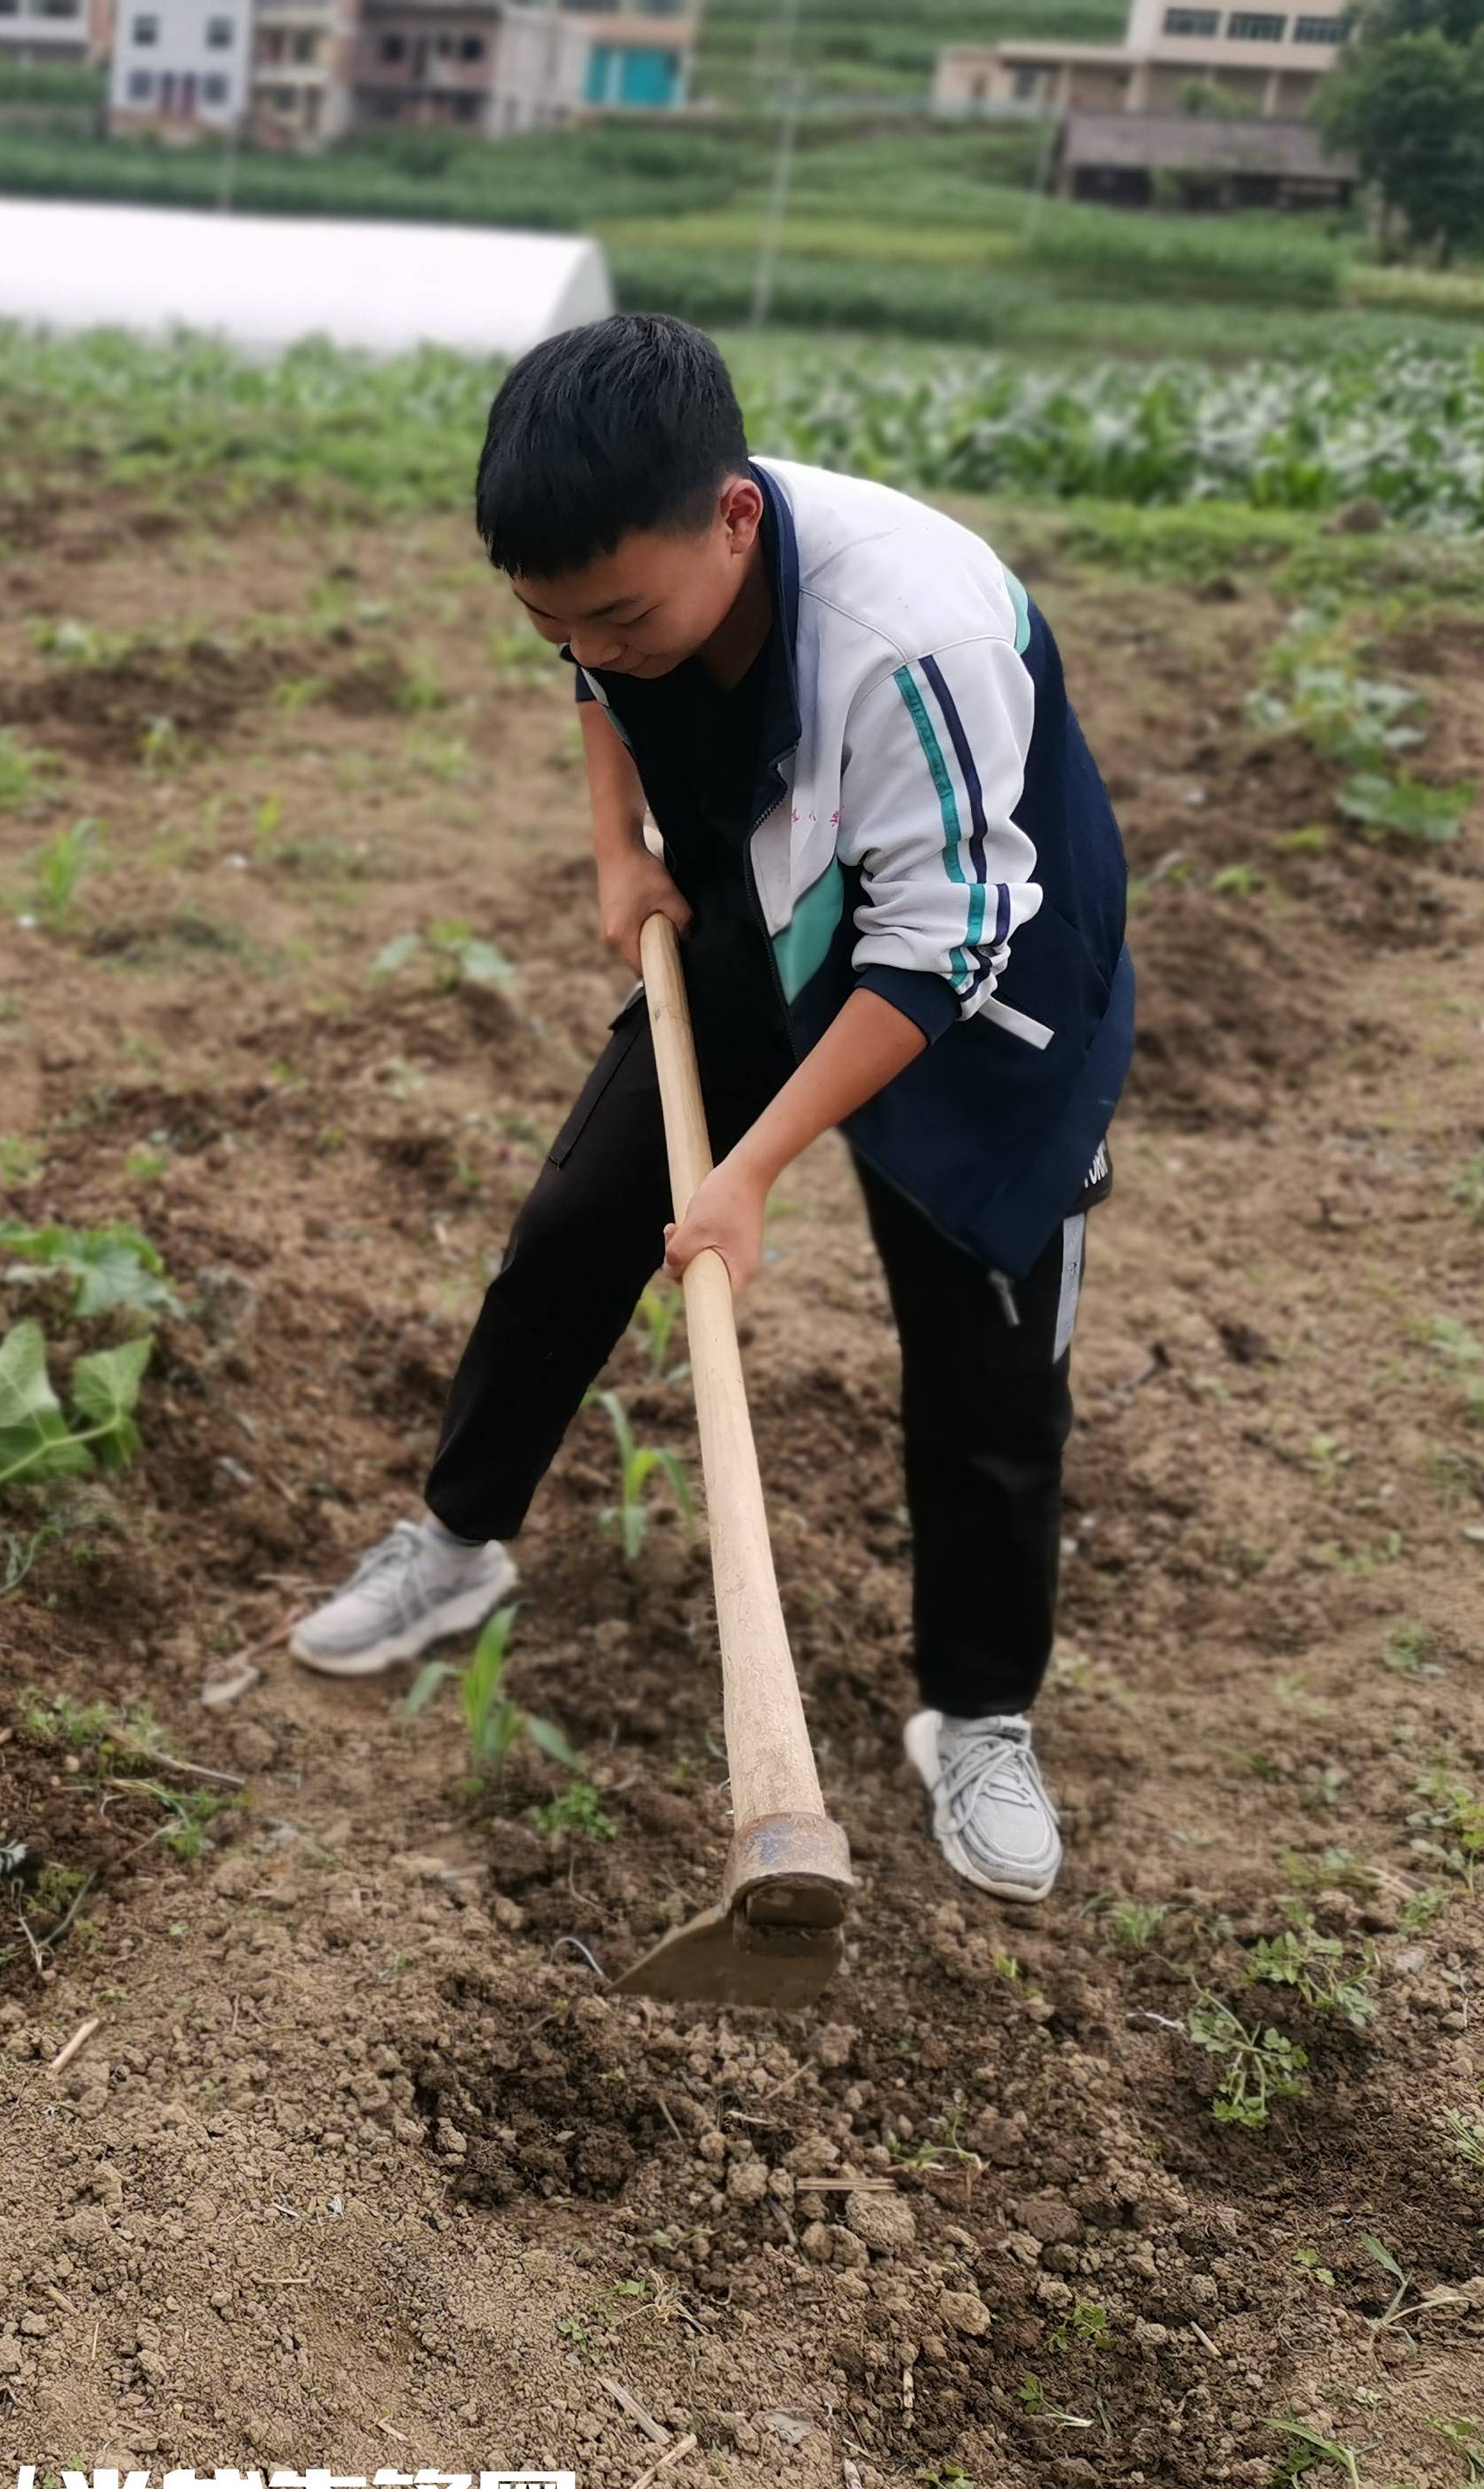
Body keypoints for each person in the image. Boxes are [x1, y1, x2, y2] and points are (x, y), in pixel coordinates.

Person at [288, 316, 1135, 1908]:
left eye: (618, 615)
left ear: (735, 519)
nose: (591, 644)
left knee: (990, 1361)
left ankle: (981, 1713)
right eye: (557, 622)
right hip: (771, 903)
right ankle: (457, 1544)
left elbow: (939, 944)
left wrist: (749, 1173)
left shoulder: (911, 641)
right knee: (570, 1232)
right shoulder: (615, 583)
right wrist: (620, 851)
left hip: (986, 981)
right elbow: (597, 681)